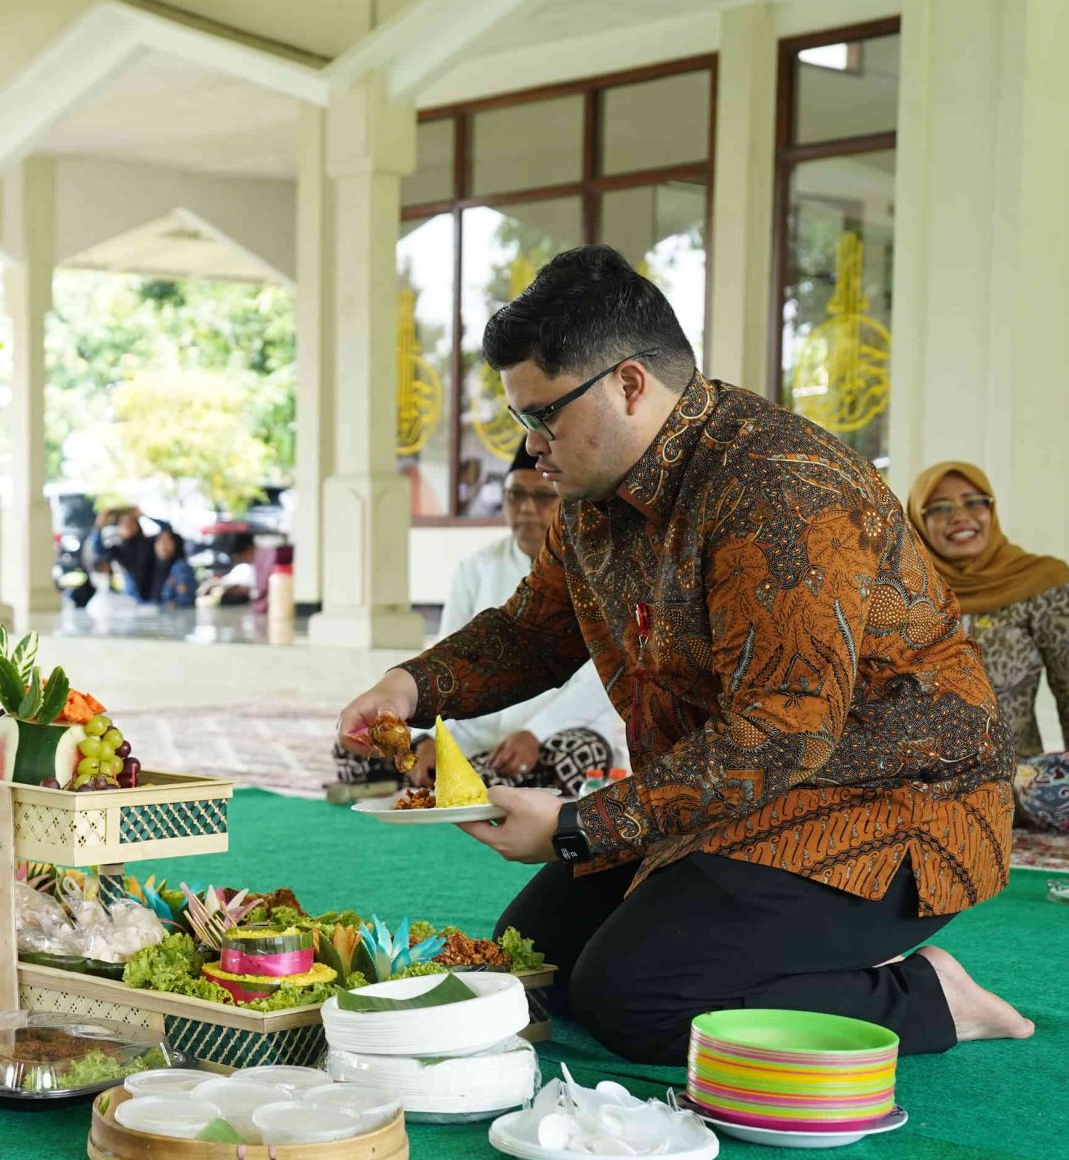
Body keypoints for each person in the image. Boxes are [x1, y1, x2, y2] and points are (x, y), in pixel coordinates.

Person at [337, 244, 1027, 1065]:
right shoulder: (590, 501)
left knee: (638, 998)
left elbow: (783, 731)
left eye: (541, 416)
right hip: (728, 797)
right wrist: (410, 688)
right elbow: (533, 630)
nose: (531, 448)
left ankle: (931, 997)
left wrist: (578, 826)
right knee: (533, 959)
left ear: (629, 385)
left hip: (888, 804)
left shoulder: (779, 488)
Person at [395, 449, 626, 797]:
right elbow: (447, 656)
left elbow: (602, 679)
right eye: (515, 496)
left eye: (542, 496)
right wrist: (426, 739)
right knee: (365, 746)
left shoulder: (597, 569)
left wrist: (537, 732)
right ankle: (473, 783)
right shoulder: (474, 568)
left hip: (562, 733)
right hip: (477, 737)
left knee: (575, 755)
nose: (527, 509)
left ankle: (467, 787)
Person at [905, 460, 1069, 763]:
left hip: (1009, 782)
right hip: (909, 787)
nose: (960, 516)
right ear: (917, 521)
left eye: (974, 502)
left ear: (991, 511)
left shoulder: (1042, 583)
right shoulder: (901, 592)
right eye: (940, 508)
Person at [202, 533, 258, 605]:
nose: (239, 560)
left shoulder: (251, 567)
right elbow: (226, 581)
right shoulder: (243, 567)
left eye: (240, 557)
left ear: (250, 549)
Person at [149, 526, 197, 608]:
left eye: (168, 541)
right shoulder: (153, 568)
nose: (164, 545)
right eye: (160, 540)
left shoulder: (181, 568)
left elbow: (185, 600)